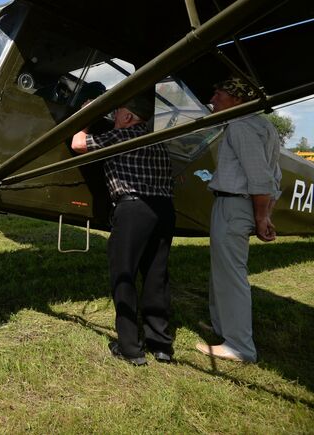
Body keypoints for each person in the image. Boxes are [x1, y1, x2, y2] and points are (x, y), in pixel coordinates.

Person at [71, 91, 175, 365]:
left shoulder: (124, 136)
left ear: (128, 116)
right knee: (156, 276)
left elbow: (78, 143)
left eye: (116, 111)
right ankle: (161, 345)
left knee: (124, 276)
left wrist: (87, 118)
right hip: (164, 211)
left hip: (133, 209)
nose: (113, 115)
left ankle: (130, 348)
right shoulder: (157, 142)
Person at [195, 78, 281, 363]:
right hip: (238, 204)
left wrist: (261, 217)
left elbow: (260, 178)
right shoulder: (262, 125)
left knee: (231, 274)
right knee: (223, 270)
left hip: (235, 204)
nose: (213, 97)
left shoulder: (242, 126)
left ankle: (239, 346)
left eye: (218, 93)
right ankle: (223, 329)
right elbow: (274, 176)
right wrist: (264, 212)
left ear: (237, 99)